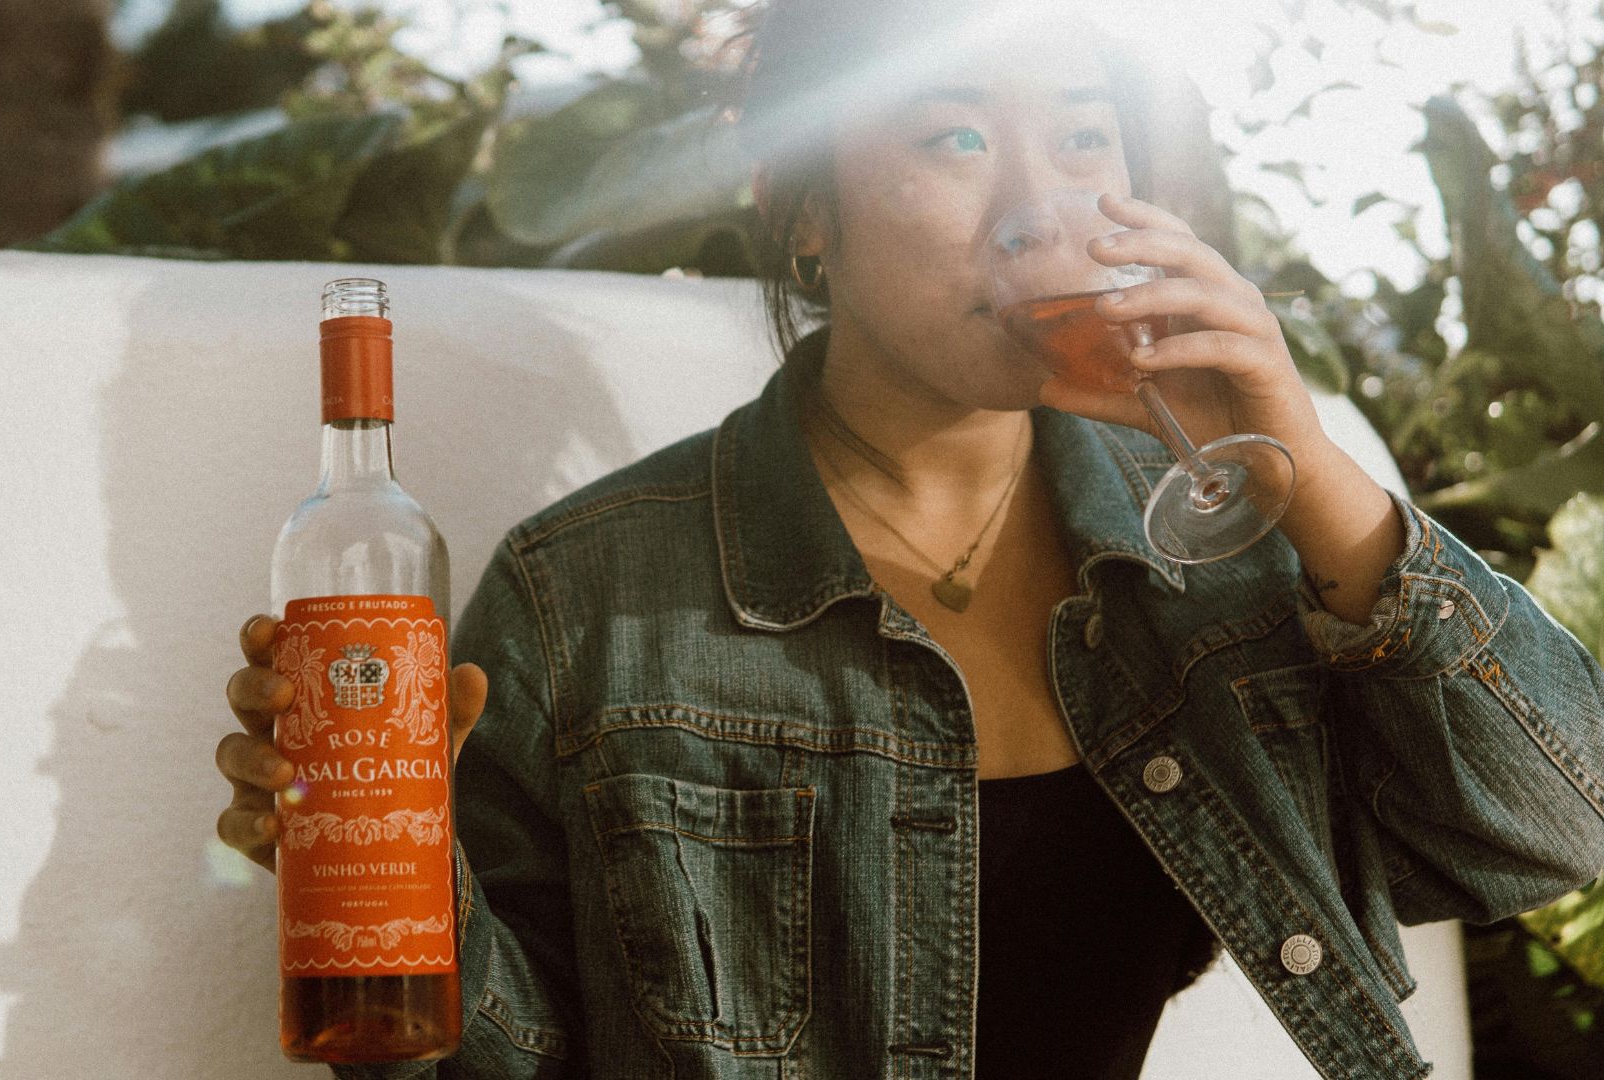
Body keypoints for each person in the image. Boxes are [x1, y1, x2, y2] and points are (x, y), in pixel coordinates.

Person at [215, 1, 1604, 1076]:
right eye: (953, 139)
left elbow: (1555, 836)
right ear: (806, 212)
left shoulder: (1222, 557)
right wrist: (379, 891)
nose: (1035, 212)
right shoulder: (583, 600)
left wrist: (1306, 460)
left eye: (1080, 136)